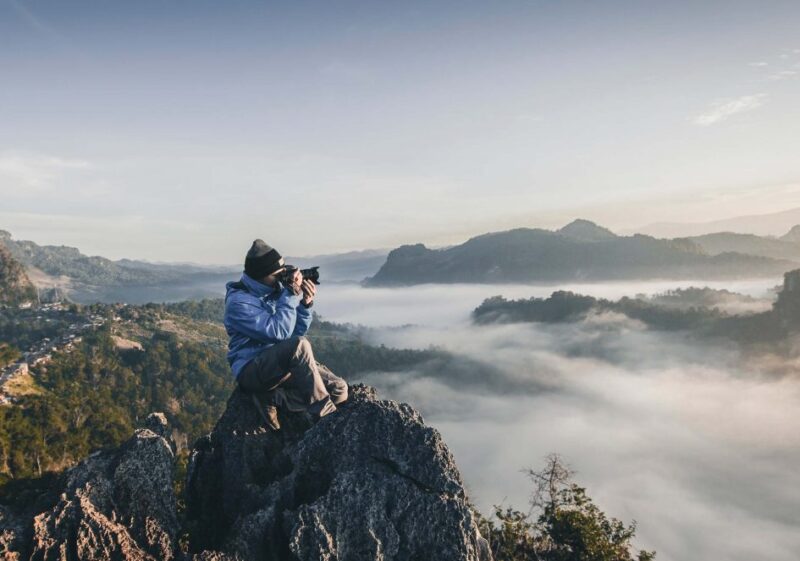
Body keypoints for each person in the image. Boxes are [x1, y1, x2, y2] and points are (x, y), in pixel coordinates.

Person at [223, 239, 348, 430]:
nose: (282, 278)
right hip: (252, 370)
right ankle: (325, 417)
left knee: (339, 389)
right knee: (300, 345)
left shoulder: (274, 290)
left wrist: (305, 305)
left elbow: (292, 334)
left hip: (279, 366)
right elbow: (279, 333)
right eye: (277, 275)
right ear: (261, 275)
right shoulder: (239, 303)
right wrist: (289, 294)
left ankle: (275, 398)